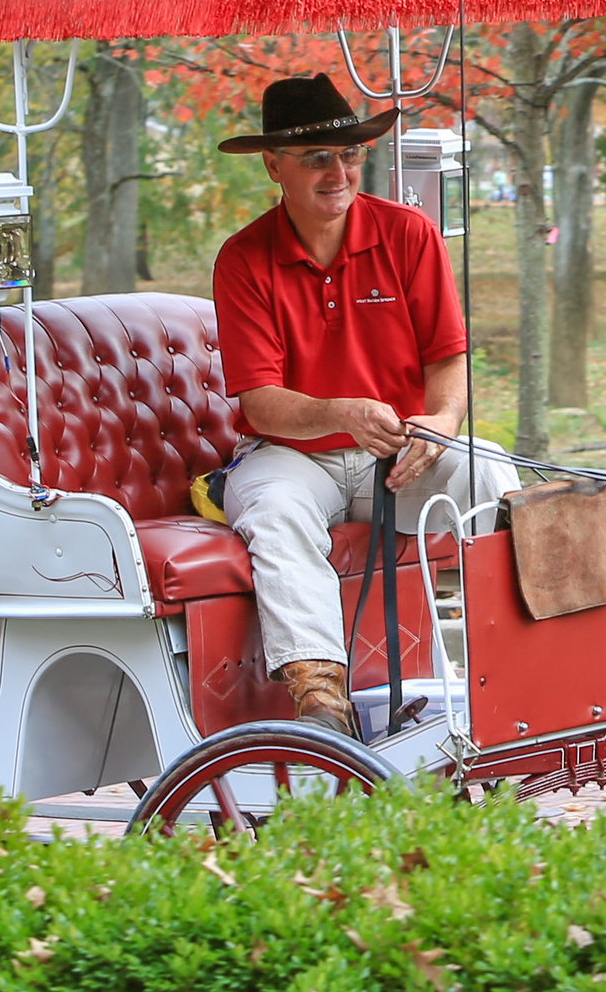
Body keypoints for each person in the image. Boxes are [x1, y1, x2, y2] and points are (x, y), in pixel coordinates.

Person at [212, 74, 509, 734]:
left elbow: (448, 361)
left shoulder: (409, 234)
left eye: (349, 153)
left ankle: (522, 672)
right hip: (292, 457)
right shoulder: (243, 258)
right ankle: (323, 710)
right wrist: (339, 411)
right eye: (317, 157)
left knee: (489, 469)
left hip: (399, 457)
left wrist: (439, 424)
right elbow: (260, 404)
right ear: (273, 165)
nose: (338, 170)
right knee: (273, 506)